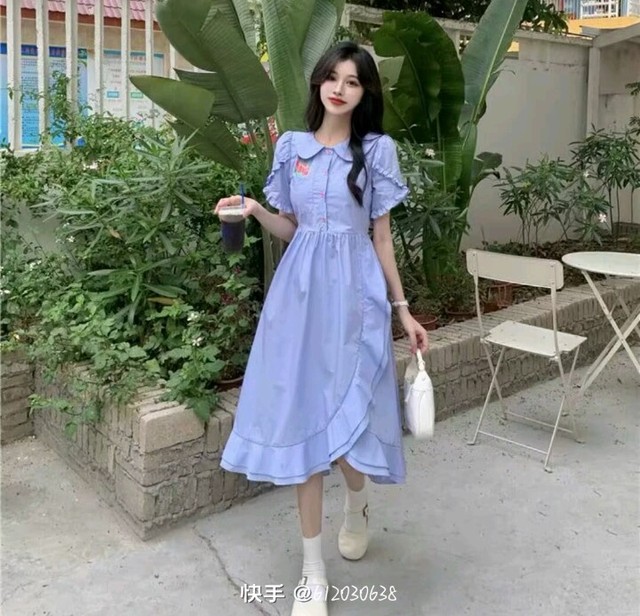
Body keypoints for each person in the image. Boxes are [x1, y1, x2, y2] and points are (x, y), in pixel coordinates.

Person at [215, 41, 429, 616]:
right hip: (298, 302)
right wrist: (256, 212)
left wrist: (403, 309)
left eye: (353, 81)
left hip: (355, 301)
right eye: (332, 77)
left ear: (364, 92)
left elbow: (381, 237)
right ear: (318, 83)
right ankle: (312, 573)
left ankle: (357, 503)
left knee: (350, 439)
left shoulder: (376, 151)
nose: (340, 88)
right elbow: (294, 228)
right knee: (305, 427)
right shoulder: (292, 147)